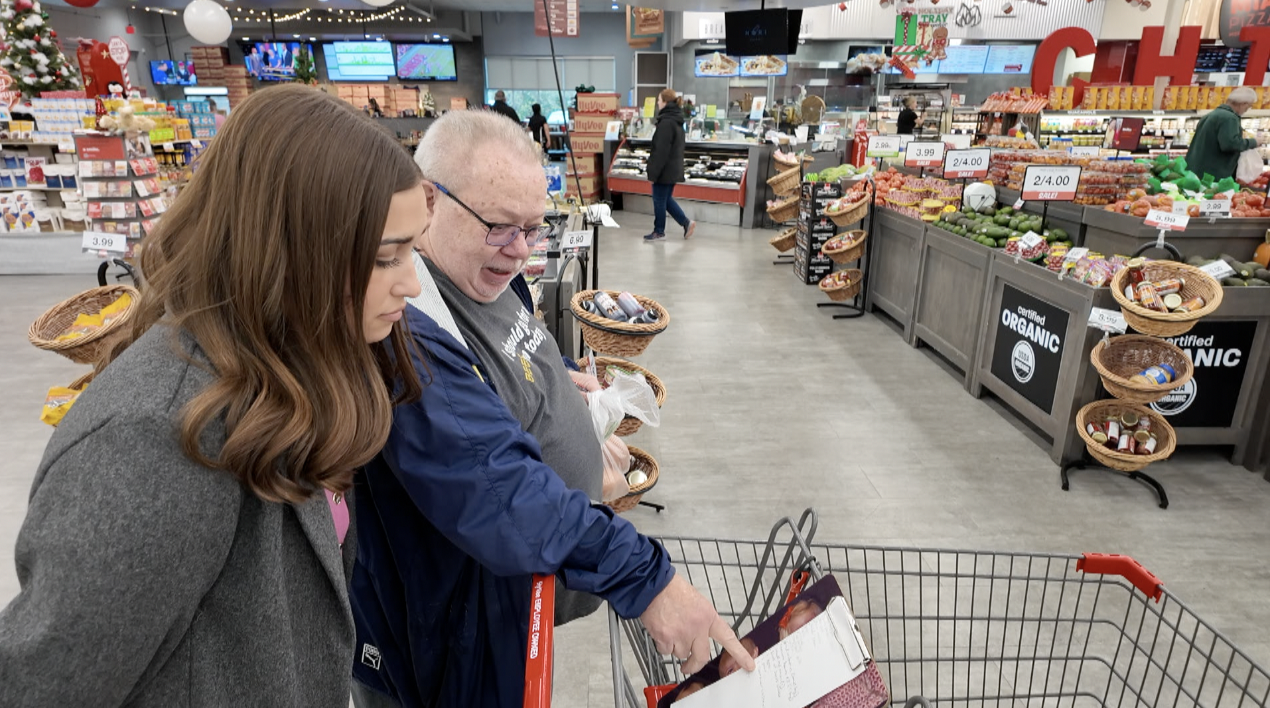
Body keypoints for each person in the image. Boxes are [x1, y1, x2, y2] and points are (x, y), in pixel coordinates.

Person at [0, 85, 426, 706]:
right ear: (292, 252)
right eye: (388, 257)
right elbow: (45, 684)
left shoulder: (291, 365)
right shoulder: (147, 442)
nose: (412, 283)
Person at [348, 110, 754, 708]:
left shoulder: (486, 277)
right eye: (500, 227)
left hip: (516, 609)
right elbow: (496, 483)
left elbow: (515, 353)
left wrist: (567, 396)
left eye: (533, 229)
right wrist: (648, 581)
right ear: (431, 202)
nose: (519, 250)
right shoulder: (405, 322)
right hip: (454, 649)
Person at [644, 88, 696, 242]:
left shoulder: (666, 123)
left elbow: (661, 151)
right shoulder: (677, 120)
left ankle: (659, 231)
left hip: (664, 170)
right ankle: (686, 223)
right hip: (673, 168)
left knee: (659, 200)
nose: (658, 104)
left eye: (659, 101)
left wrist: (653, 173)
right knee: (665, 199)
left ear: (665, 103)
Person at [1186, 86, 1263, 181]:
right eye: (1249, 106)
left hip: (1197, 172)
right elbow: (1230, 144)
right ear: (1243, 104)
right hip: (1213, 175)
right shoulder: (1229, 118)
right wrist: (1253, 142)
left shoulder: (1209, 115)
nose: (1247, 109)